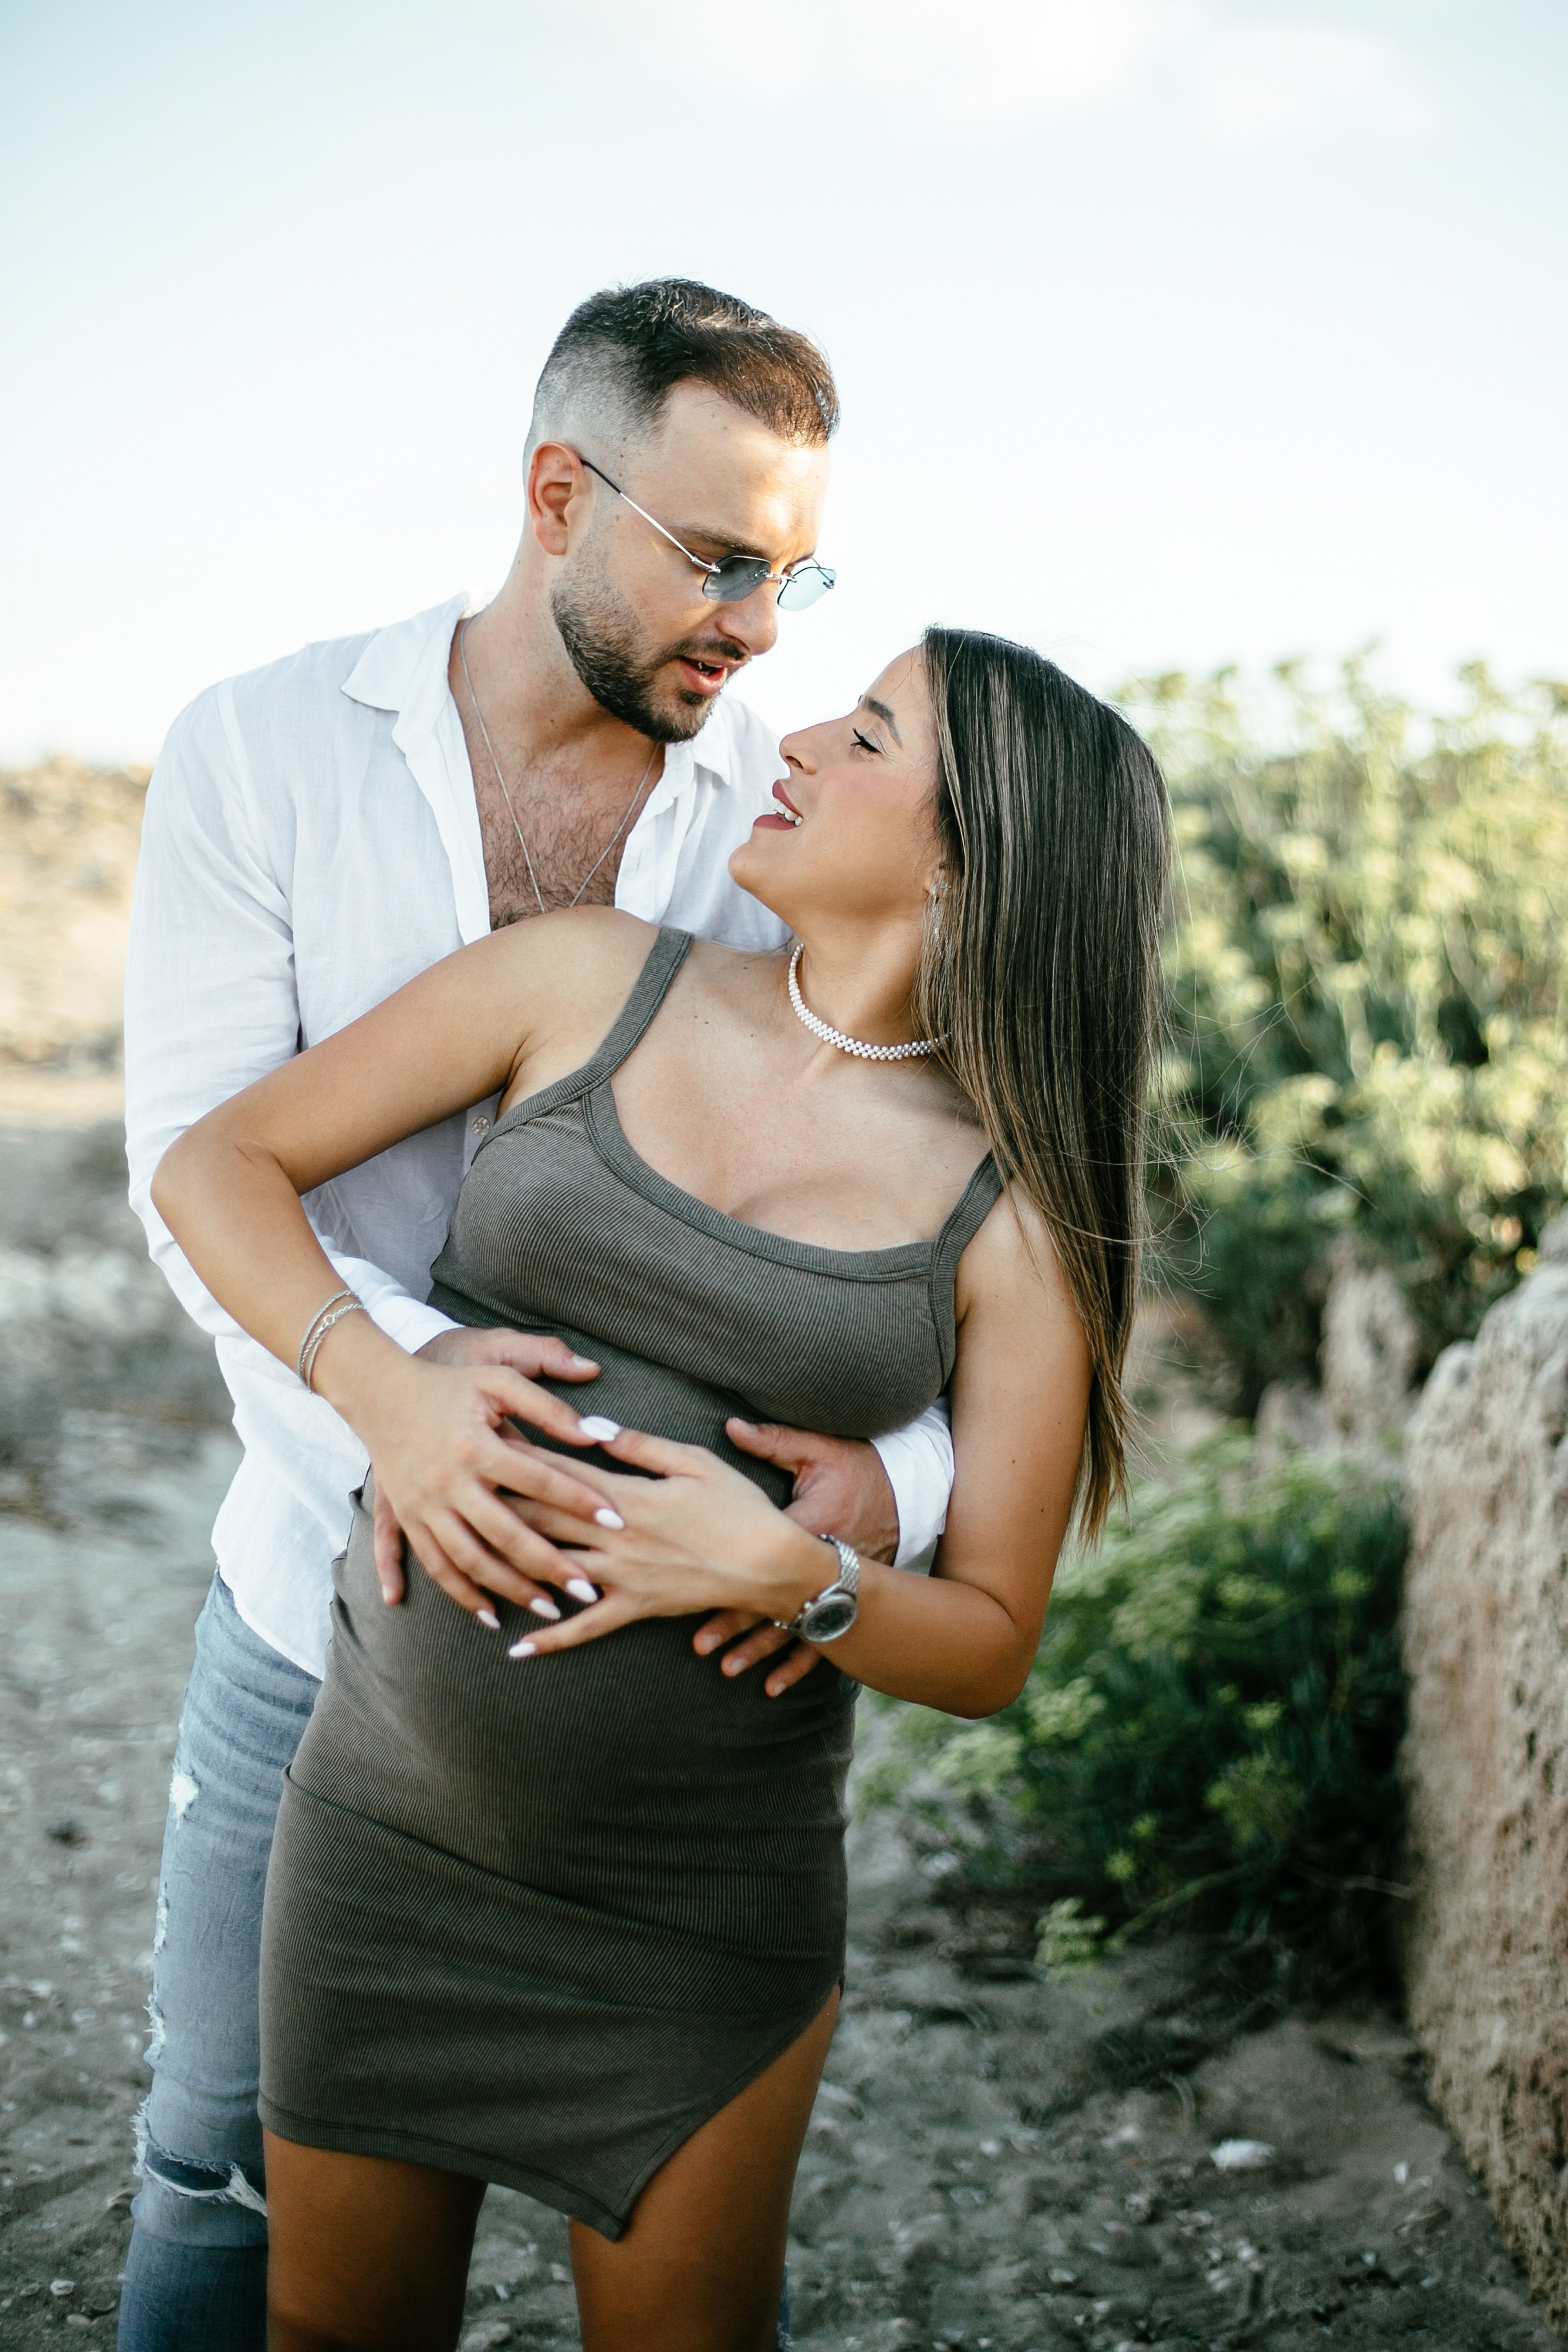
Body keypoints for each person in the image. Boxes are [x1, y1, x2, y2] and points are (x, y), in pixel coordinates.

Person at [150, 620, 1171, 2351]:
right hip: (384, 1833)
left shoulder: (1010, 1221)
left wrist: (791, 1577)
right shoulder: (582, 974)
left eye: (867, 735)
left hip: (700, 1916)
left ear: (964, 854)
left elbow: (992, 1640)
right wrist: (380, 1381)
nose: (800, 740)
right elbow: (216, 1160)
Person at [118, 279, 958, 2352]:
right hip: (308, 1605)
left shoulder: (767, 815)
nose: (765, 628)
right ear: (556, 491)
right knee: (217, 2160)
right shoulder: (263, 749)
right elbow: (200, 1173)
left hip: (667, 1732)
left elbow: (905, 1176)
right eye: (724, 561)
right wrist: (390, 1401)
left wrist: (901, 1473)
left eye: (796, 571)